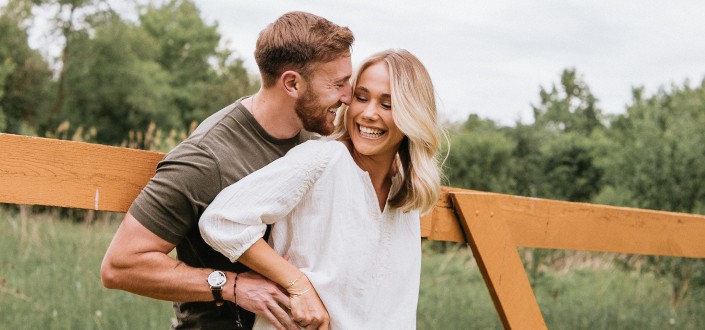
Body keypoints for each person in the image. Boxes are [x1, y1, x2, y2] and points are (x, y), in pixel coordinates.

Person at [100, 11, 354, 330]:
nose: (348, 96)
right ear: (292, 83)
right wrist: (234, 287)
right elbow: (120, 266)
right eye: (338, 84)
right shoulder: (206, 159)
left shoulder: (318, 138)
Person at [199, 49, 443, 329]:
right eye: (361, 98)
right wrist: (297, 283)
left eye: (387, 105)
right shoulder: (323, 159)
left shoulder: (405, 188)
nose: (369, 113)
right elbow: (222, 220)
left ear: (413, 115)